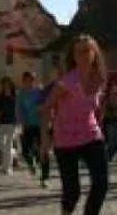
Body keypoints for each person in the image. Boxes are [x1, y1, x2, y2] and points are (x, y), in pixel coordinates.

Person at [40, 34, 108, 215]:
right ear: (74, 56)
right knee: (72, 192)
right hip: (65, 139)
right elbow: (47, 107)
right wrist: (45, 140)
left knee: (101, 184)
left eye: (88, 50)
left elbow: (94, 107)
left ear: (95, 53)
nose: (84, 55)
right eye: (79, 52)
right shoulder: (67, 81)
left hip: (91, 135)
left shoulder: (99, 78)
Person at [17, 71, 49, 187]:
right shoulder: (21, 94)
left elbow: (47, 104)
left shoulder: (39, 92)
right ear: (23, 81)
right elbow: (19, 109)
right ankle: (32, 164)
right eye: (27, 80)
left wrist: (43, 110)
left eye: (32, 80)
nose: (30, 82)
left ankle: (45, 178)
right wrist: (21, 121)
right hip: (27, 125)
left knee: (42, 151)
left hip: (40, 125)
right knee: (25, 151)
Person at [0, 77, 17, 175]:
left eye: (7, 84)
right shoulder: (0, 97)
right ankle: (13, 153)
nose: (6, 86)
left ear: (11, 85)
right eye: (4, 84)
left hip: (12, 123)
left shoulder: (15, 95)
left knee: (8, 145)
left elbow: (18, 109)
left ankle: (7, 168)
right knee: (0, 144)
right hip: (1, 123)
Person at [102, 83, 117, 163]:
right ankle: (110, 155)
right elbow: (104, 111)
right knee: (111, 140)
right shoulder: (107, 100)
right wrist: (101, 120)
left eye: (115, 89)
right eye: (112, 89)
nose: (114, 91)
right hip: (110, 122)